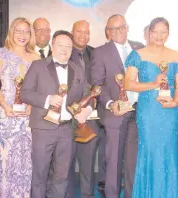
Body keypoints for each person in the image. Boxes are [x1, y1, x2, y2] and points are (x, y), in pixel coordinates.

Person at [21, 30, 92, 197]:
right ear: (52, 46)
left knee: (62, 175)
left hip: (67, 130)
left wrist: (86, 110)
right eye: (60, 45)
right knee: (40, 174)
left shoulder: (78, 70)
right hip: (43, 129)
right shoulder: (38, 66)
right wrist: (48, 99)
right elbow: (25, 93)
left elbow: (88, 95)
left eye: (68, 46)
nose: (64, 49)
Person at [121, 16, 178, 198]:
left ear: (169, 33)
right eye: (155, 31)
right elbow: (128, 84)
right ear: (149, 32)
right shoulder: (138, 55)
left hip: (169, 111)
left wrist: (176, 101)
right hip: (148, 112)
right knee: (149, 152)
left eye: (163, 32)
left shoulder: (176, 55)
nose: (159, 35)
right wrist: (153, 83)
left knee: (169, 153)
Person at [90, 14, 145, 198]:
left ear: (128, 28)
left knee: (133, 163)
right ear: (108, 32)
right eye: (114, 29)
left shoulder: (140, 48)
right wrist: (110, 104)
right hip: (115, 113)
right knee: (113, 163)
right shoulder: (100, 52)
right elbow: (97, 84)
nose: (119, 31)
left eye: (122, 27)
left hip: (138, 112)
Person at [0, 17, 38, 197]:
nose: (22, 35)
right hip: (6, 115)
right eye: (19, 31)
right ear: (11, 32)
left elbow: (37, 89)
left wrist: (32, 106)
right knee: (8, 159)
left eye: (26, 31)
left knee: (26, 160)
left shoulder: (36, 58)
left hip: (28, 115)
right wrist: (5, 106)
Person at [66, 20, 103, 198]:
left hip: (91, 117)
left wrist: (89, 108)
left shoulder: (95, 53)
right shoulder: (62, 51)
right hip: (66, 118)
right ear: (72, 32)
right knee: (65, 165)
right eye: (79, 31)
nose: (83, 35)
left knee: (88, 165)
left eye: (87, 32)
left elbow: (100, 84)